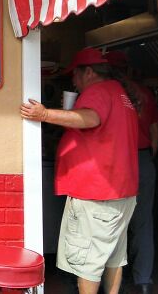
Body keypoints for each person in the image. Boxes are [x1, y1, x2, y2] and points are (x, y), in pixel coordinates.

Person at [20, 47, 139, 294]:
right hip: (121, 192)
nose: (73, 80)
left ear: (89, 72)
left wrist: (44, 114)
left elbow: (90, 118)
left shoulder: (97, 92)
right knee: (113, 256)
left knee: (88, 263)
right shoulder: (119, 93)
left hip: (97, 195)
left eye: (75, 74)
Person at [105, 50, 158, 294]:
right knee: (143, 223)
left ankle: (114, 281)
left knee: (114, 222)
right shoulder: (144, 94)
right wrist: (146, 158)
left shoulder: (109, 95)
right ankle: (144, 282)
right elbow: (156, 133)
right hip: (144, 159)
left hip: (119, 162)